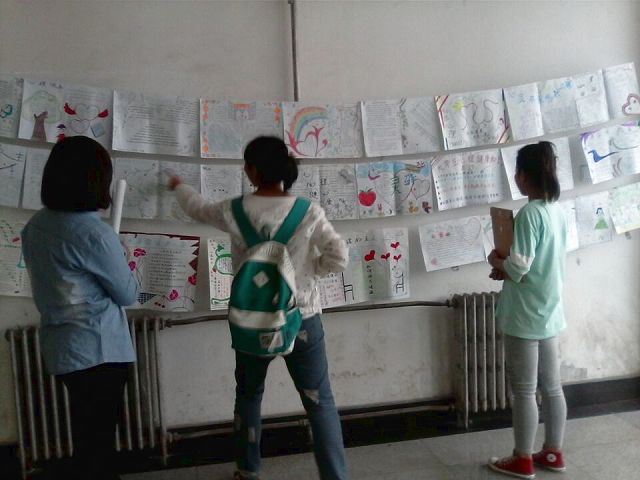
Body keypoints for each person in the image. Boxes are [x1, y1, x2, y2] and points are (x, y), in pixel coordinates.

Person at [168, 136, 349, 480]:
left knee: (249, 395)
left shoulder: (233, 211)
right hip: (302, 319)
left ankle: (248, 470)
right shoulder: (308, 211)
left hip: (251, 322)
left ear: (251, 170)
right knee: (319, 402)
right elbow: (339, 257)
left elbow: (196, 207)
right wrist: (308, 275)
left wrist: (179, 186)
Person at [21, 136, 139, 480]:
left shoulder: (36, 225)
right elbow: (127, 293)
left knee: (88, 440)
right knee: (99, 446)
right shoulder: (95, 234)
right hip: (99, 350)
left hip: (62, 348)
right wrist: (123, 257)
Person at [487, 141, 568, 479]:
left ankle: (522, 458)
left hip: (524, 314)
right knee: (552, 387)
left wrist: (495, 260)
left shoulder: (529, 214)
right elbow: (536, 265)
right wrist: (506, 268)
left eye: (517, 172)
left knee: (523, 389)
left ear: (522, 175)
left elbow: (519, 267)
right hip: (549, 310)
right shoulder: (555, 210)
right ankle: (552, 452)